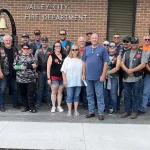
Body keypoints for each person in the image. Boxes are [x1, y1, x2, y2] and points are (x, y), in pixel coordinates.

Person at [82, 33, 109, 120]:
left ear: (98, 39)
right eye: (92, 38)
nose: (94, 39)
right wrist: (83, 74)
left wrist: (103, 75)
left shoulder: (103, 49)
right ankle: (91, 112)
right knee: (89, 95)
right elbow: (84, 62)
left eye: (95, 38)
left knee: (99, 95)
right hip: (88, 77)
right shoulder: (87, 49)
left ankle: (101, 113)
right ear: (90, 39)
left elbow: (105, 63)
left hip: (98, 77)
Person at [121, 37, 147, 119]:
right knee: (127, 95)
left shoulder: (142, 52)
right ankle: (127, 111)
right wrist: (127, 70)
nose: (134, 44)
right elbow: (122, 63)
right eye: (132, 42)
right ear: (130, 43)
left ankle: (135, 112)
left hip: (137, 78)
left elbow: (143, 64)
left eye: (136, 42)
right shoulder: (126, 52)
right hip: (126, 78)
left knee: (136, 96)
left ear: (138, 43)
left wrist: (132, 70)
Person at [13, 43, 37, 113]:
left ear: (29, 50)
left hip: (30, 79)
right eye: (24, 48)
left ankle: (32, 107)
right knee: (22, 93)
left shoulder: (32, 56)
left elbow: (35, 65)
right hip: (20, 79)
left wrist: (27, 66)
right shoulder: (18, 57)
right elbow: (14, 66)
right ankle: (26, 106)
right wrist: (20, 67)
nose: (25, 50)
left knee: (30, 93)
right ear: (22, 49)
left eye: (27, 48)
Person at [61, 45, 82, 116]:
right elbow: (63, 71)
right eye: (73, 50)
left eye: (76, 50)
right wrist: (64, 80)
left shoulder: (80, 59)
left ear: (78, 50)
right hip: (69, 81)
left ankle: (76, 110)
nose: (75, 51)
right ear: (71, 51)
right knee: (69, 96)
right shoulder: (67, 59)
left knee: (76, 96)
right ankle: (69, 111)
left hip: (78, 81)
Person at [0, 34, 19, 112]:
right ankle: (1, 105)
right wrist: (0, 72)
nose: (8, 41)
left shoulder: (15, 49)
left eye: (9, 40)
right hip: (4, 73)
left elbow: (18, 60)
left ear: (11, 41)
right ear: (4, 41)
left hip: (14, 73)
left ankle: (15, 103)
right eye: (6, 40)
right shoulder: (0, 49)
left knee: (15, 89)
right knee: (2, 89)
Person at [47, 41, 66, 113]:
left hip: (62, 77)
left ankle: (59, 106)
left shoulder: (64, 56)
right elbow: (48, 68)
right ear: (54, 48)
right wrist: (49, 78)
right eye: (56, 46)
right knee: (54, 92)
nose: (58, 47)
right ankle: (53, 106)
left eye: (59, 46)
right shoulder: (51, 56)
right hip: (54, 77)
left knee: (60, 92)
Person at [35, 37, 52, 108]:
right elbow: (35, 61)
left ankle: (48, 102)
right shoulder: (38, 51)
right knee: (40, 88)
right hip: (40, 72)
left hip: (49, 72)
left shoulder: (51, 50)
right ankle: (38, 102)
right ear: (41, 42)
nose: (44, 43)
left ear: (47, 42)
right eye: (43, 42)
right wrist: (35, 72)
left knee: (48, 88)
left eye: (45, 42)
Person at [104, 41, 121, 114]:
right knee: (105, 92)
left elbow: (117, 68)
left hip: (114, 77)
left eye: (113, 46)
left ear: (116, 47)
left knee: (113, 93)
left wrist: (107, 73)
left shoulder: (118, 56)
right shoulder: (105, 55)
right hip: (105, 77)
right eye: (110, 46)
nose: (111, 47)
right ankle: (106, 107)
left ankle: (113, 107)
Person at [138, 34, 150, 113]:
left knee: (146, 91)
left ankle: (142, 107)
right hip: (140, 73)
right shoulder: (140, 49)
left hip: (148, 74)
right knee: (139, 90)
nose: (147, 41)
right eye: (145, 39)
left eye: (148, 39)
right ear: (143, 40)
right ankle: (138, 105)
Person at [77, 36, 88, 109]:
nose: (82, 42)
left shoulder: (88, 50)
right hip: (76, 72)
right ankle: (76, 103)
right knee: (77, 88)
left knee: (85, 89)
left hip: (86, 72)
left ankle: (85, 103)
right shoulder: (74, 50)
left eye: (83, 41)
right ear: (78, 42)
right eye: (80, 41)